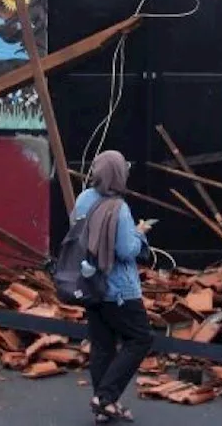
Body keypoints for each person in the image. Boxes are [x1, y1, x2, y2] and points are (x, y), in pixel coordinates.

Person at [74, 150, 154, 423]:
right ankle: (105, 397)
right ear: (119, 174)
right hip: (119, 290)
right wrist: (139, 234)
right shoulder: (120, 209)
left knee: (102, 346)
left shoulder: (84, 199)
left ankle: (105, 407)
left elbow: (78, 233)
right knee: (141, 338)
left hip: (90, 284)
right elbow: (126, 250)